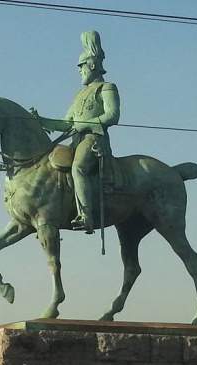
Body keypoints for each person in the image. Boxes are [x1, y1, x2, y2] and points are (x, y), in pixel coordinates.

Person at [33, 31, 120, 233]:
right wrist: (41, 120)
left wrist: (86, 124)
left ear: (91, 65)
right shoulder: (79, 95)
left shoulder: (107, 87)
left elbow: (113, 115)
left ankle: (86, 215)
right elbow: (66, 123)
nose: (80, 72)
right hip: (76, 140)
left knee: (78, 167)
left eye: (81, 68)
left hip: (93, 139)